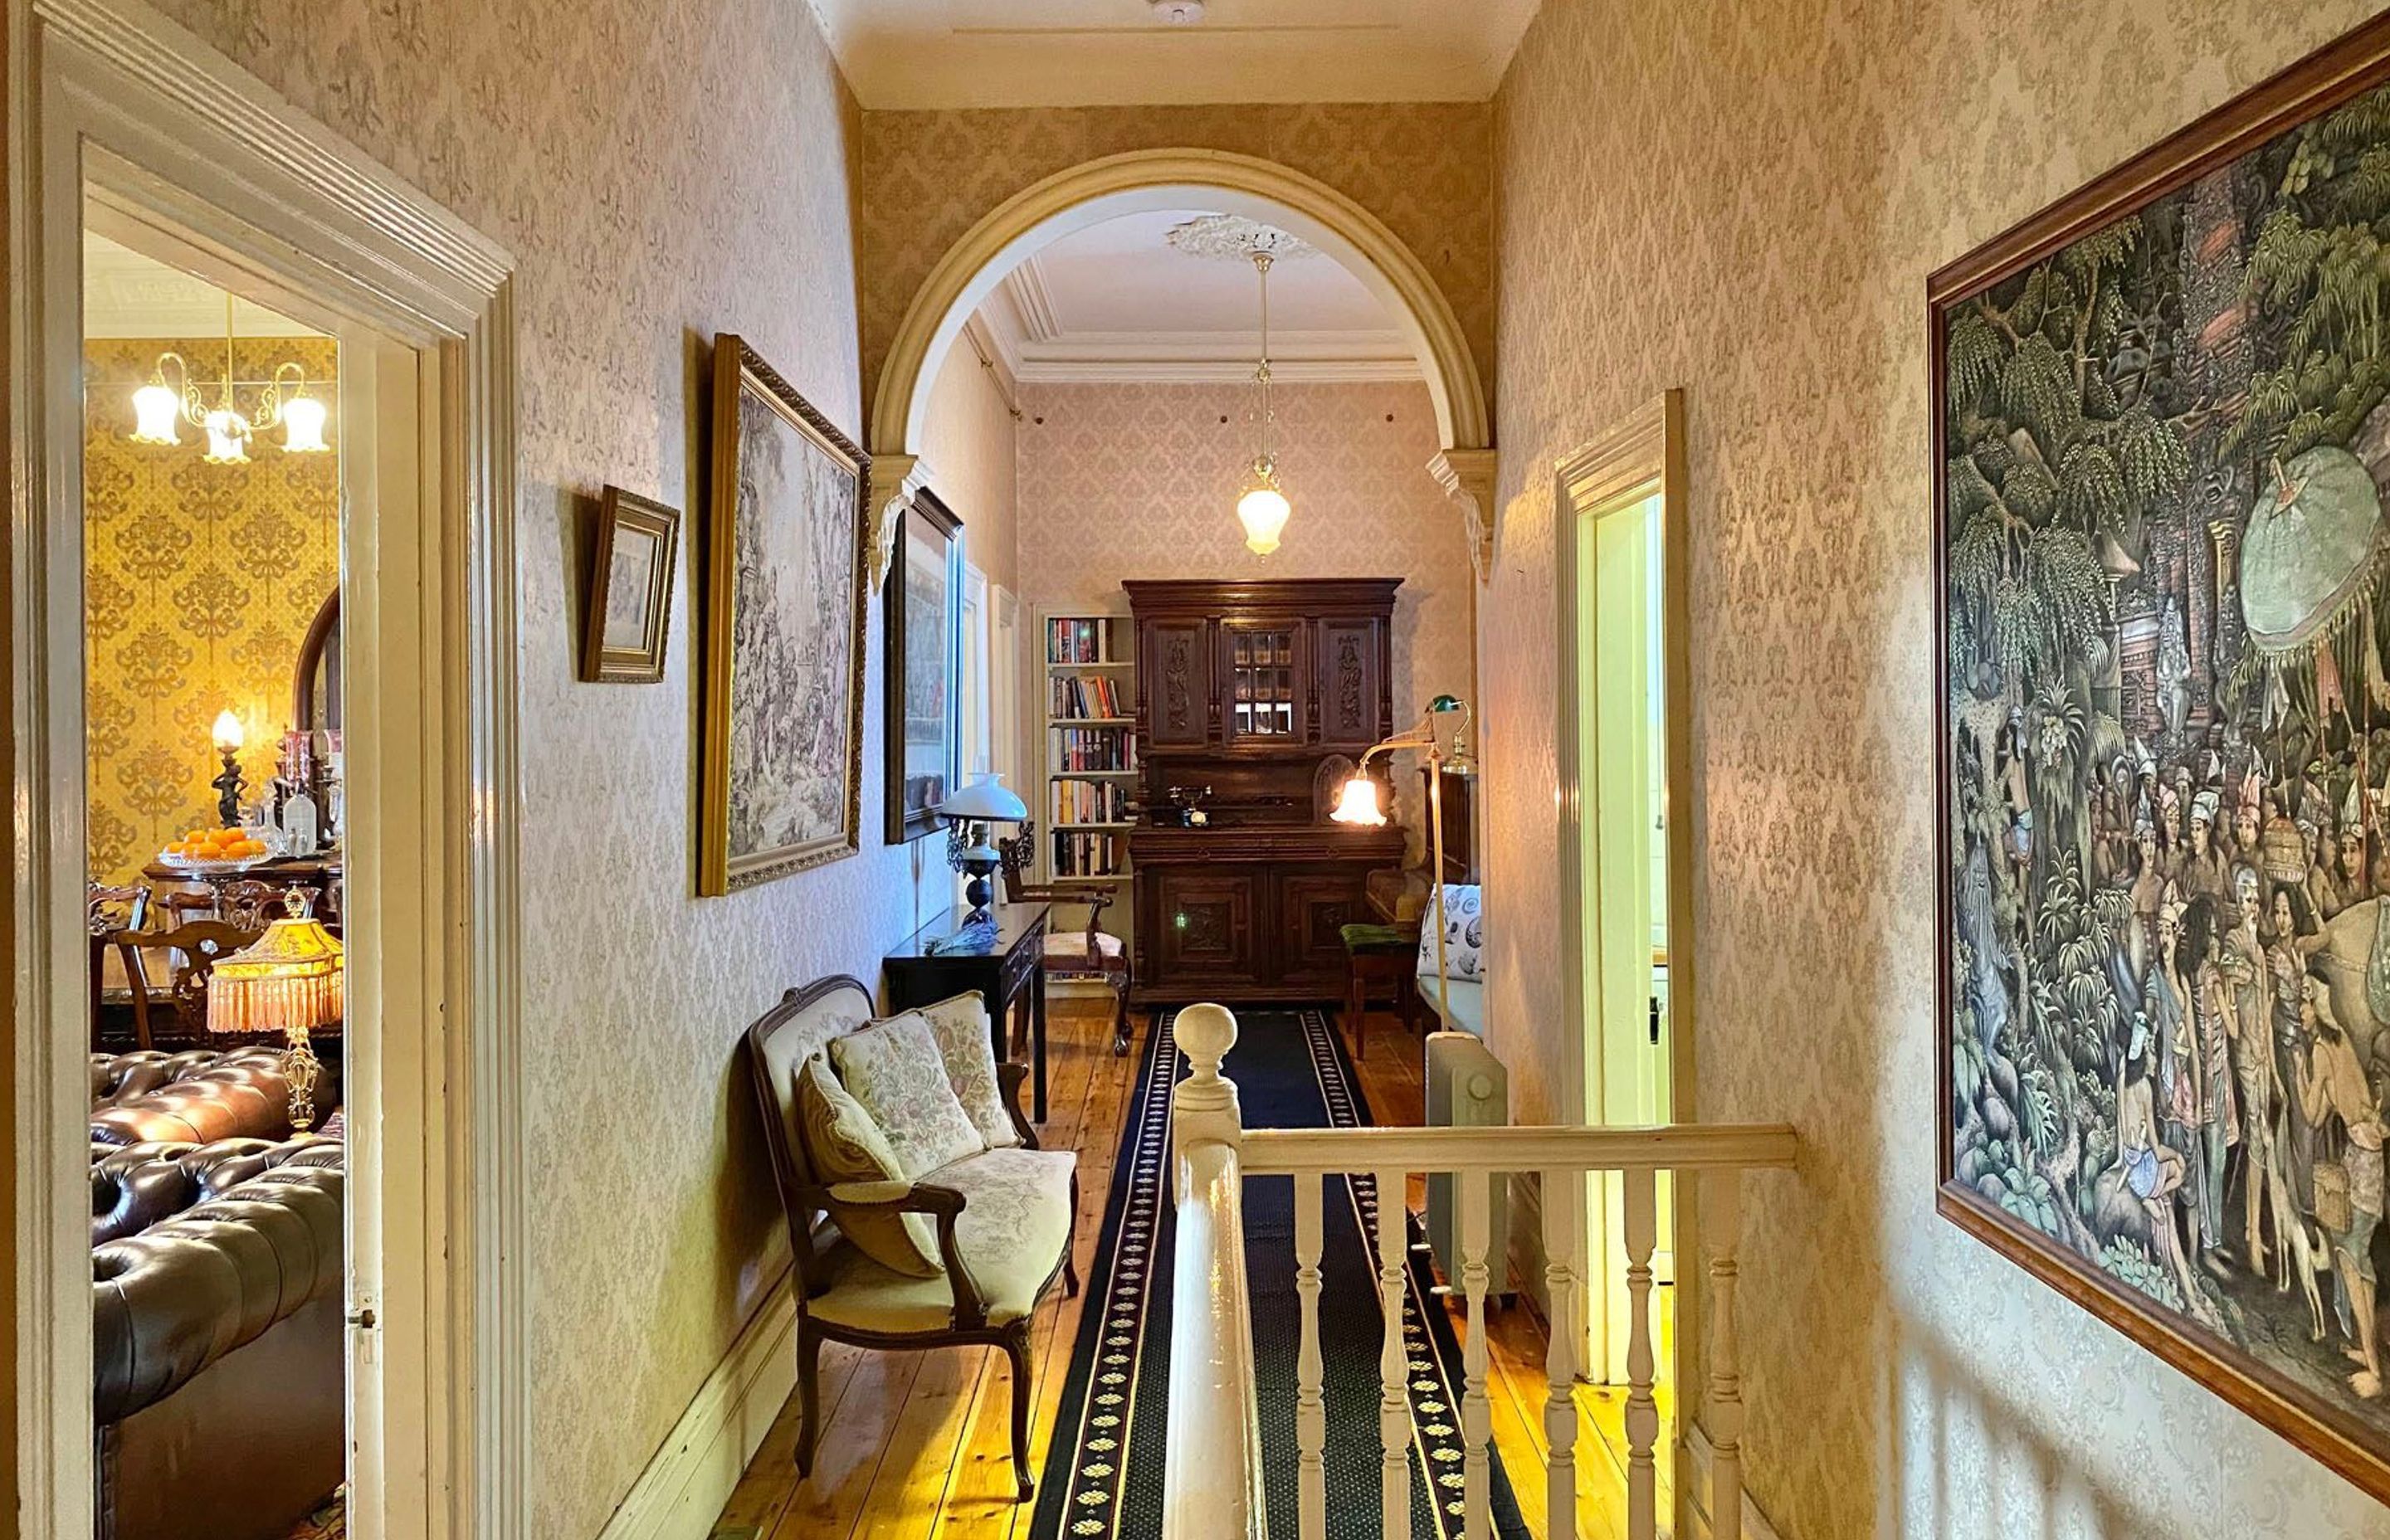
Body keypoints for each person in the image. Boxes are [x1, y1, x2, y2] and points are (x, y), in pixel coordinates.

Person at [2299, 979, 2388, 1399]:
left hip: (2362, 1160)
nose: (2300, 1009)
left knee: (2351, 1262)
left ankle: (2376, 1372)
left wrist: (2299, 1072)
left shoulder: (2321, 1049)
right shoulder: (2341, 1040)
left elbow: (2312, 1115)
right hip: (2366, 1156)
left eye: (2305, 1000)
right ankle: (2367, 1352)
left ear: (2316, 1005)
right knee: (2358, 1259)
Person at [2222, 865, 2285, 1274]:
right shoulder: (2235, 940)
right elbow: (2233, 970)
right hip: (2243, 1052)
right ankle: (2251, 1231)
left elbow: (2263, 1011)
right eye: (2246, 900)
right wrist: (2248, 964)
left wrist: (2271, 1061)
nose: (2252, 907)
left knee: (2262, 1140)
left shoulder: (2260, 950)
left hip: (2260, 1053)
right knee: (2260, 1136)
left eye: (2256, 901)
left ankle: (2254, 1228)